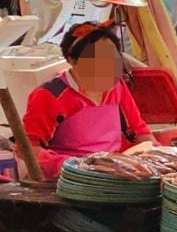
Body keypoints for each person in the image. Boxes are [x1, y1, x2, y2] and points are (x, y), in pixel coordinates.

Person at [23, 23, 154, 180]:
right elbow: (29, 148)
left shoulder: (117, 86)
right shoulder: (48, 95)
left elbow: (138, 129)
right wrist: (74, 165)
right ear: (72, 60)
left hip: (114, 171)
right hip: (70, 178)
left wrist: (159, 154)